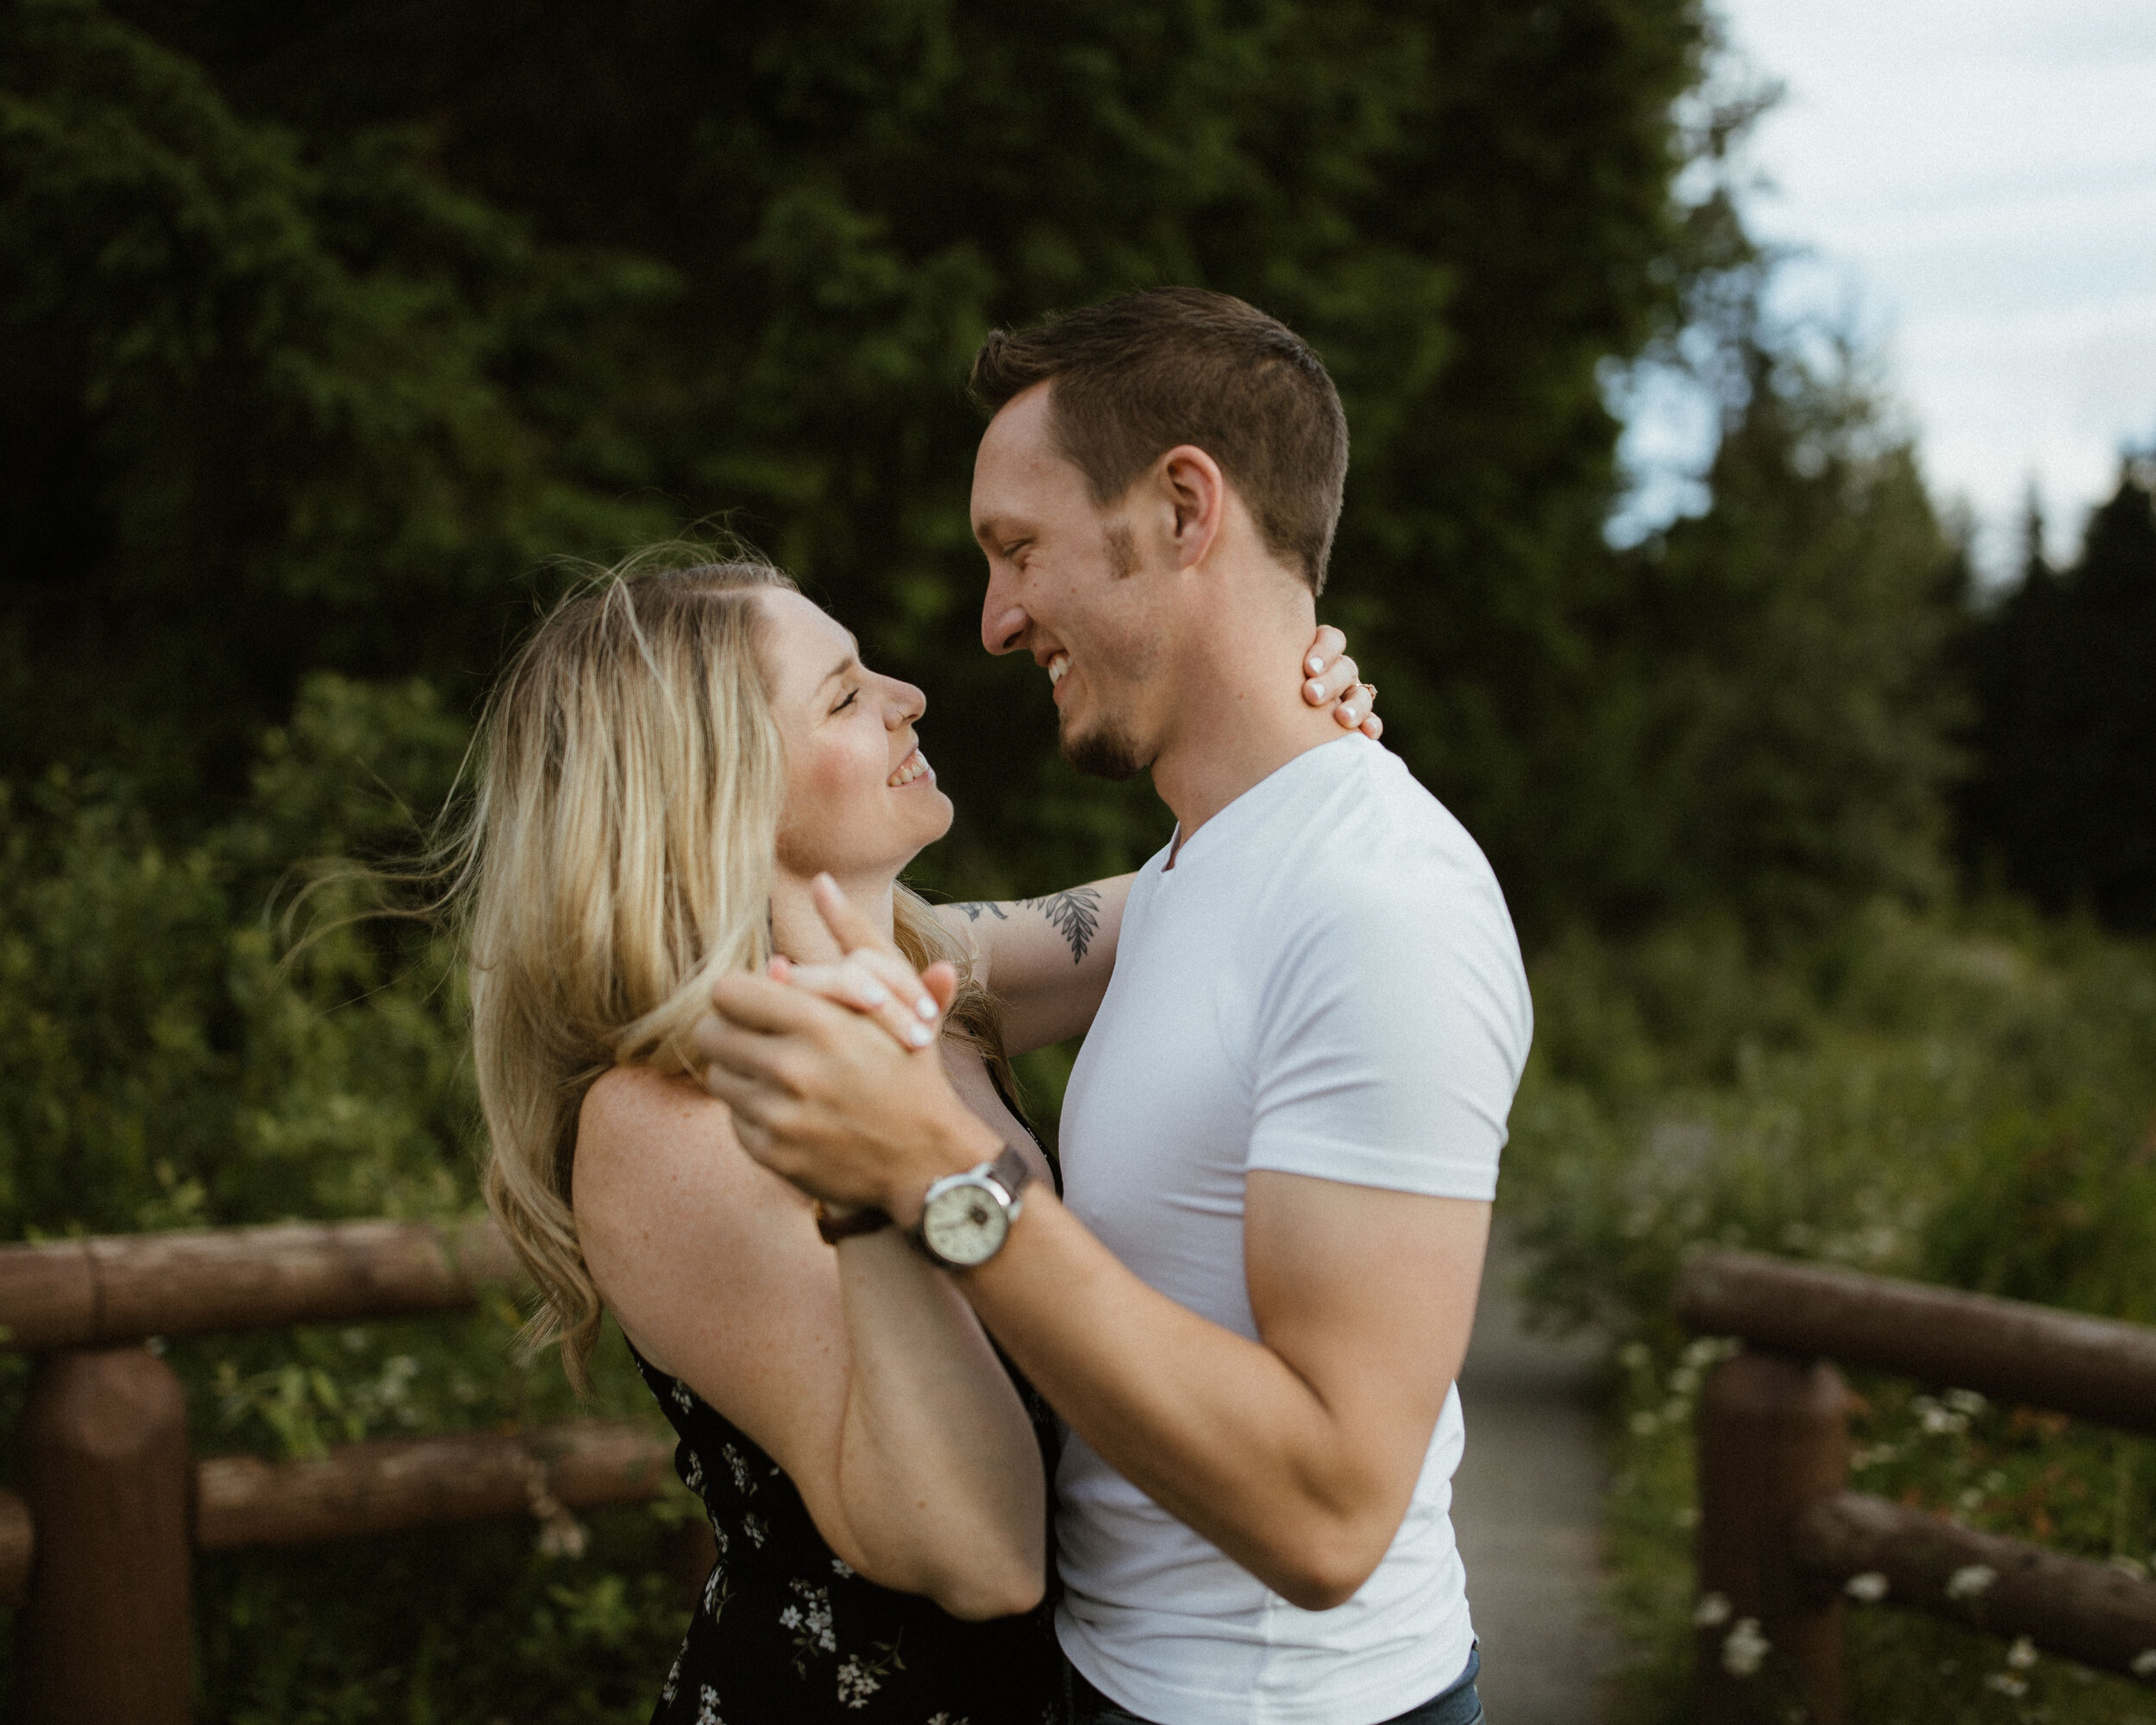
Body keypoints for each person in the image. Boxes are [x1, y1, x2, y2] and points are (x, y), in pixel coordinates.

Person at [696, 288, 1533, 1725]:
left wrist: (938, 1175)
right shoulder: (1197, 869)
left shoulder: (1382, 905)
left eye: (1019, 550)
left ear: (1185, 509)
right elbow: (878, 959)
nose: (995, 619)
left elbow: (1330, 1521)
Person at [463, 548, 1382, 1722]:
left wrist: (1302, 742)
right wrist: (871, 1177)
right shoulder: (667, 1121)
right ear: (715, 793)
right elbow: (979, 1555)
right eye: (844, 695)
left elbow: (1215, 887)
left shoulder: (926, 968)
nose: (910, 697)